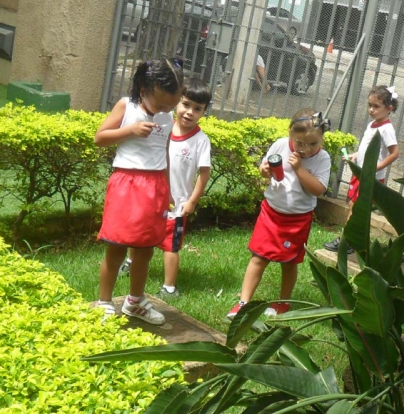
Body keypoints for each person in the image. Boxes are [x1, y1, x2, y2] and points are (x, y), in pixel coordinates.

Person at [94, 59, 183, 324]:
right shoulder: (127, 106)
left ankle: (134, 301)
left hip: (155, 187)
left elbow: (164, 151)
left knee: (145, 249)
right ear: (143, 90)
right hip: (127, 184)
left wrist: (167, 187)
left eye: (171, 106)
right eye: (161, 105)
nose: (165, 111)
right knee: (116, 248)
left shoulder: (167, 116)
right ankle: (104, 302)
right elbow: (100, 138)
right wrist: (130, 131)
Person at [227, 109, 331, 318]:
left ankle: (283, 303)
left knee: (289, 262)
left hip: (298, 219)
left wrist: (299, 169)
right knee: (258, 257)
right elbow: (264, 168)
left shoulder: (322, 158)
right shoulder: (280, 145)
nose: (306, 149)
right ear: (290, 133)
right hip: (271, 213)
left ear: (321, 138)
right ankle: (243, 302)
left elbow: (318, 190)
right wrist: (264, 171)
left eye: (313, 143)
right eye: (300, 143)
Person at [122, 78, 213, 297]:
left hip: (177, 205)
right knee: (140, 233)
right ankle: (130, 262)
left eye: (197, 109)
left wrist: (191, 202)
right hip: (151, 195)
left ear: (204, 112)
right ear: (176, 103)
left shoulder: (201, 140)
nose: (189, 112)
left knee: (170, 245)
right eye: (186, 104)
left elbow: (204, 173)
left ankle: (169, 287)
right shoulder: (163, 127)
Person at [324, 85, 400, 254]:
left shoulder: (386, 129)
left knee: (356, 208)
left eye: (376, 106)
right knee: (354, 207)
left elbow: (394, 153)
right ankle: (352, 240)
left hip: (370, 177)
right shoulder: (372, 124)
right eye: (370, 105)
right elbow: (367, 149)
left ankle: (348, 241)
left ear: (389, 108)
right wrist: (355, 155)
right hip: (360, 173)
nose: (371, 110)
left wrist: (375, 167)